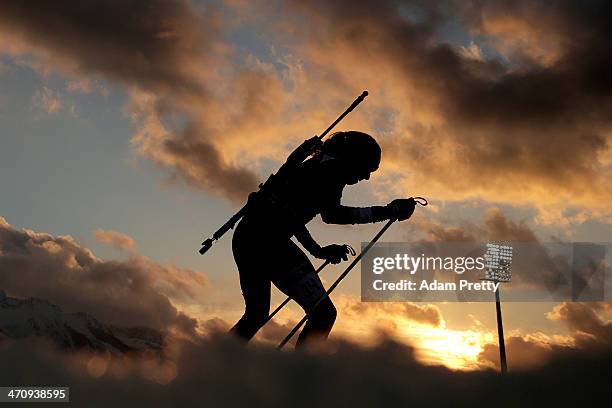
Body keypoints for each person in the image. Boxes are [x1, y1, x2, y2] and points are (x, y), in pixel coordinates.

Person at [229, 131, 416, 347]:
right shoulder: (332, 172)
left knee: (256, 315)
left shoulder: (316, 165)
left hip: (249, 237)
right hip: (269, 244)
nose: (366, 177)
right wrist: (388, 211)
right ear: (352, 159)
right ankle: (299, 375)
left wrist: (318, 250)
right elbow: (333, 215)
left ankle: (216, 362)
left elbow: (289, 217)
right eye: (366, 168)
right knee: (323, 314)